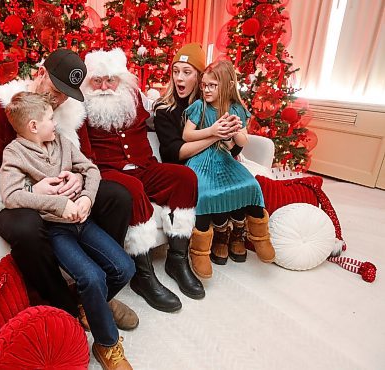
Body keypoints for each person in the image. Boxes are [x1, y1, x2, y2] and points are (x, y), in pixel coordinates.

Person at [0, 49, 139, 330]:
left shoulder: (68, 113)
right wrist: (32, 188)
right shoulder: (0, 109)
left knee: (118, 196)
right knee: (26, 226)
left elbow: (86, 162)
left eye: (66, 94)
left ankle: (97, 294)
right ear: (41, 73)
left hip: (61, 189)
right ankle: (65, 305)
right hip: (12, 196)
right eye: (56, 89)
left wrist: (79, 181)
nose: (59, 99)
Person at [0, 92, 135, 370]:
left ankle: (90, 306)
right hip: (56, 229)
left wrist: (86, 196)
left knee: (125, 267)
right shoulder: (14, 152)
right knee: (92, 276)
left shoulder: (61, 140)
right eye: (50, 118)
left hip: (83, 221)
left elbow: (91, 170)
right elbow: (10, 195)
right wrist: (58, 204)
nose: (56, 123)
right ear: (33, 126)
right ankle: (107, 344)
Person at [77, 48, 204, 313]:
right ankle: (143, 276)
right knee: (132, 189)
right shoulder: (81, 107)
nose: (104, 86)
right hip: (109, 173)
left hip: (146, 167)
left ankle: (177, 259)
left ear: (121, 80)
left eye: (110, 80)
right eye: (97, 80)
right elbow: (84, 157)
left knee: (184, 177)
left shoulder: (131, 96)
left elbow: (155, 117)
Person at [153, 43, 243, 278]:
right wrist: (214, 134)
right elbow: (174, 152)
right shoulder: (165, 109)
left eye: (187, 72)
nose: (179, 78)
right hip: (181, 168)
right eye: (175, 71)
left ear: (200, 76)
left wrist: (233, 141)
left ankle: (228, 235)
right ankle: (192, 253)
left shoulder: (211, 104)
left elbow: (233, 146)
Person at [182, 59, 275, 267]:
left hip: (224, 157)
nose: (206, 90)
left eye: (212, 86)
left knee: (251, 185)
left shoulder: (236, 109)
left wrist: (234, 133)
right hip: (200, 159)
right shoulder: (200, 107)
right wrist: (213, 131)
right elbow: (187, 135)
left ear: (227, 85)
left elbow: (242, 141)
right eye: (204, 85)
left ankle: (254, 236)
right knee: (205, 192)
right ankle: (200, 249)